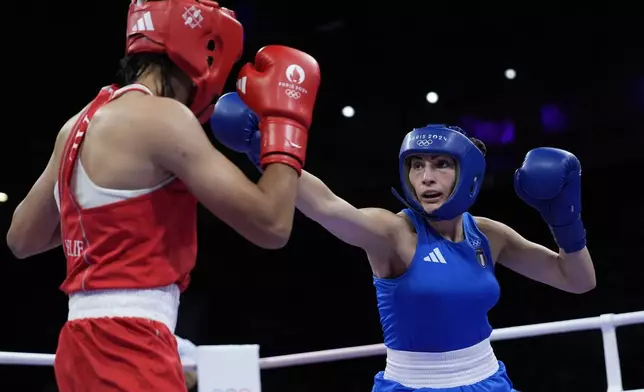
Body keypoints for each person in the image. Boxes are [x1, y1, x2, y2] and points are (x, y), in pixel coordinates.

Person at [6, 0, 320, 390]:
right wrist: (285, 125)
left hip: (78, 347)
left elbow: (22, 238)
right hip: (130, 345)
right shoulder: (166, 119)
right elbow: (272, 225)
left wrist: (105, 222)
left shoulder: (77, 124)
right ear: (200, 50)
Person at [209, 93, 597, 392]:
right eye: (417, 164)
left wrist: (563, 218)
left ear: (469, 174)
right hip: (412, 384)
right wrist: (262, 146)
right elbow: (326, 205)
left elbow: (577, 280)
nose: (426, 177)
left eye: (441, 164)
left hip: (489, 377)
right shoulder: (393, 233)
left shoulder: (488, 235)